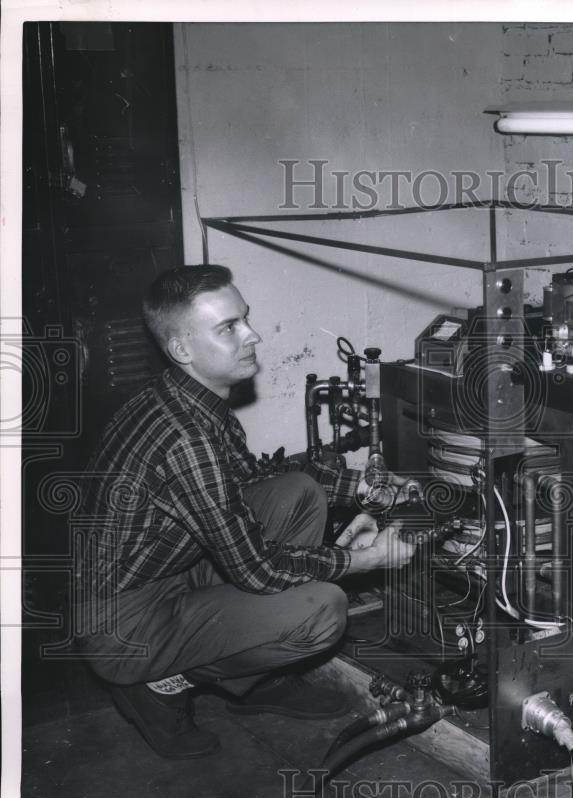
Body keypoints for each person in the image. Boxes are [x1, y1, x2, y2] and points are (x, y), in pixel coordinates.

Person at [74, 264, 415, 760]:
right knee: (323, 609)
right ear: (182, 350)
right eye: (228, 328)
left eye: (245, 319)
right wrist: (366, 561)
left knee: (297, 491)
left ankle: (257, 679)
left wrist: (366, 490)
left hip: (165, 572)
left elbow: (250, 478)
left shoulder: (191, 401)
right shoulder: (186, 438)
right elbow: (259, 569)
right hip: (123, 625)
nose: (252, 335)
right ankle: (158, 685)